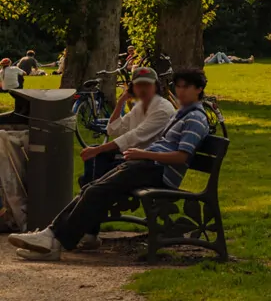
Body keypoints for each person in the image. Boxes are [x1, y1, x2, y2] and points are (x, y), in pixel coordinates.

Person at [9, 69, 213, 261]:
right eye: (178, 86)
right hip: (146, 164)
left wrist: (144, 154)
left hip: (157, 170)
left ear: (199, 89)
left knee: (95, 190)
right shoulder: (181, 114)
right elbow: (114, 129)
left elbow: (182, 157)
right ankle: (52, 235)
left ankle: (55, 240)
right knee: (92, 188)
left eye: (187, 86)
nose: (181, 91)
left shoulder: (194, 118)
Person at [72, 66, 176, 249]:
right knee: (94, 171)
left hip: (149, 165)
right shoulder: (139, 107)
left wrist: (98, 150)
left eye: (147, 85)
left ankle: (89, 229)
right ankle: (90, 225)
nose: (143, 89)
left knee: (93, 175)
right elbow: (113, 130)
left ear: (156, 86)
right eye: (138, 85)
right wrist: (120, 102)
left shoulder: (163, 109)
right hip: (133, 160)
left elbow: (133, 136)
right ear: (132, 88)